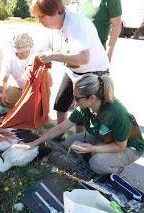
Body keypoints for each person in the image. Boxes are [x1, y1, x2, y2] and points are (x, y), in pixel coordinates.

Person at [16, 74, 144, 176]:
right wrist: (34, 143)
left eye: (77, 98)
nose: (74, 101)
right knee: (69, 144)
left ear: (92, 98)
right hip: (104, 138)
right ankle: (97, 155)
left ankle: (118, 172)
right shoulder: (85, 107)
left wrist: (93, 149)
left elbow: (120, 146)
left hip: (129, 147)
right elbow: (61, 127)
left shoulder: (117, 114)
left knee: (96, 164)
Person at [30, 0, 109, 140]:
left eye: (41, 17)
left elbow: (83, 58)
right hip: (73, 72)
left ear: (55, 12)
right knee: (60, 105)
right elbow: (40, 50)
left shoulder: (75, 23)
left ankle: (81, 142)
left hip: (93, 73)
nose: (39, 21)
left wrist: (53, 56)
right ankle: (60, 136)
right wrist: (31, 66)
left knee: (84, 112)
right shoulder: (53, 27)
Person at [0, 32, 35, 109]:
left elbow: (49, 82)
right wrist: (3, 93)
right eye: (17, 52)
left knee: (31, 108)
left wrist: (29, 90)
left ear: (29, 49)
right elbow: (4, 80)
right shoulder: (11, 59)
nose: (19, 55)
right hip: (19, 89)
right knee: (3, 100)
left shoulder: (36, 56)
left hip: (34, 90)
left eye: (22, 52)